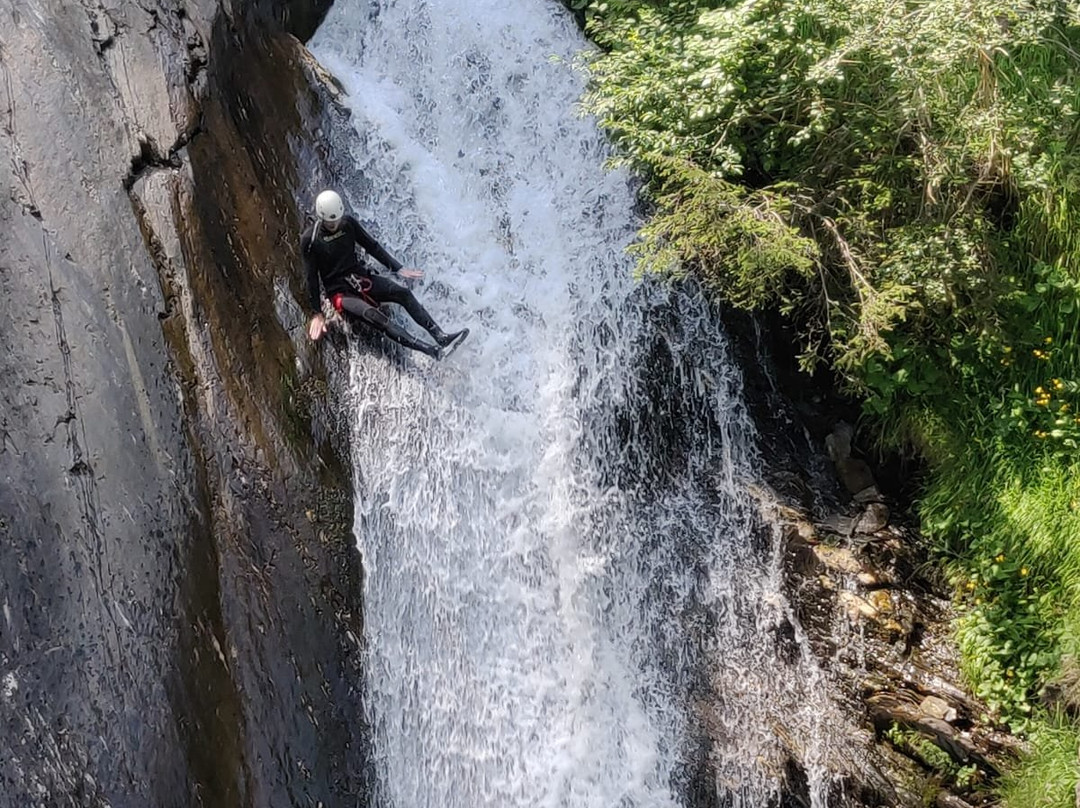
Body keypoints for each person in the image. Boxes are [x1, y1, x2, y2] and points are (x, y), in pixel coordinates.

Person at [302, 189, 467, 359]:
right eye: (330, 222)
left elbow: (372, 246)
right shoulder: (311, 239)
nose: (334, 224)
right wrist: (317, 313)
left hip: (361, 278)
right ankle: (433, 352)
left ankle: (441, 337)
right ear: (321, 216)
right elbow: (311, 277)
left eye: (336, 219)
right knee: (376, 316)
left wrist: (398, 268)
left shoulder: (347, 223)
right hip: (340, 293)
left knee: (402, 293)